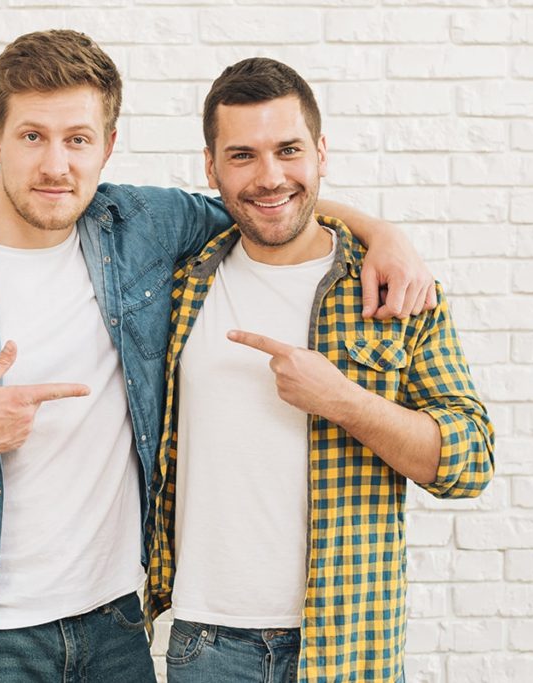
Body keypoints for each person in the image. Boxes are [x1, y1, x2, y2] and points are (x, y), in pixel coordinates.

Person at [0, 31, 434, 683]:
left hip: (118, 632)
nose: (55, 166)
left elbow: (265, 199)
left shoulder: (140, 228)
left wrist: (385, 233)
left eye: (77, 139)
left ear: (108, 145)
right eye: (32, 137)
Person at [138, 58, 495, 683]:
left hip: (350, 642)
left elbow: (468, 465)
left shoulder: (395, 288)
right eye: (242, 155)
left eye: (289, 150)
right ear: (210, 166)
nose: (270, 176)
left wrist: (344, 400)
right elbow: (62, 209)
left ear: (321, 152)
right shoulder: (176, 286)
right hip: (206, 643)